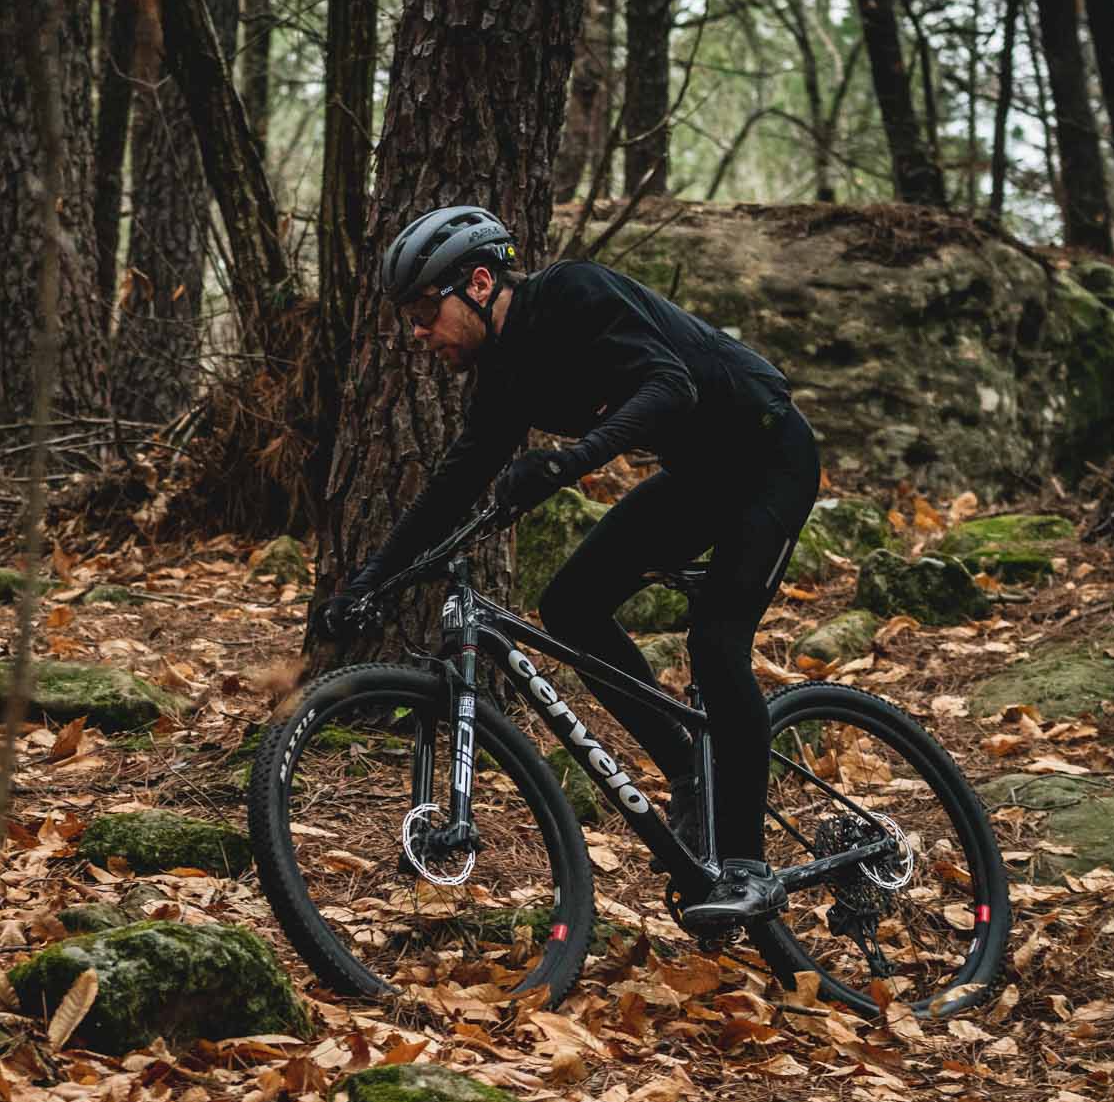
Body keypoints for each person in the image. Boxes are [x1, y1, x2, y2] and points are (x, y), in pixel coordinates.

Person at [318, 205, 820, 930]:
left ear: (480, 283)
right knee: (570, 607)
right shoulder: (504, 375)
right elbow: (452, 488)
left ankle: (746, 866)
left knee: (716, 643)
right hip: (700, 480)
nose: (418, 333)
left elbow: (670, 386)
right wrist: (369, 583)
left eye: (425, 311)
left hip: (770, 457)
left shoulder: (575, 293)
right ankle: (688, 770)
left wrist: (565, 463)